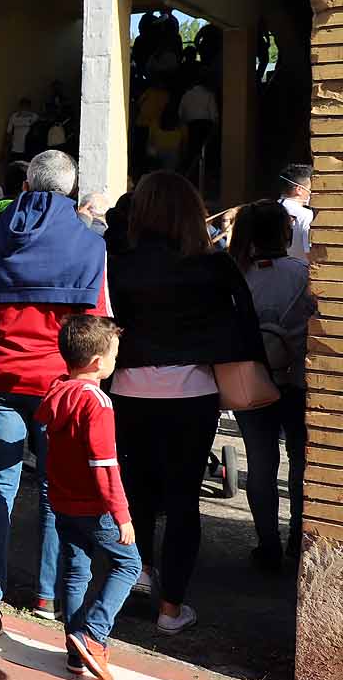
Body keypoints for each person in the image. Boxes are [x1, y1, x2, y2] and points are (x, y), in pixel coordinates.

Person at [108, 171, 265, 635]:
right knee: (182, 500)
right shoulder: (213, 265)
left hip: (128, 388)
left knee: (135, 489)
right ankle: (171, 610)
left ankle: (136, 573)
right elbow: (244, 324)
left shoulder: (119, 262)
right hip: (192, 391)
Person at [0, 149, 109, 634]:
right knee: (56, 490)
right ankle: (48, 595)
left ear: (27, 183)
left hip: (0, 376)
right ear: (69, 189)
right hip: (59, 385)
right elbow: (96, 322)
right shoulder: (89, 245)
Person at [37, 315, 139, 680]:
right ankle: (93, 635)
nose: (116, 361)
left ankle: (74, 652)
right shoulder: (97, 402)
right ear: (98, 362)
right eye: (114, 354)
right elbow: (104, 465)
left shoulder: (57, 391)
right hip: (95, 506)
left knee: (76, 570)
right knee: (129, 565)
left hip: (62, 501)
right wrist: (122, 515)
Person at [228, 200, 314, 570]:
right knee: (302, 465)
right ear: (284, 231)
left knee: (260, 465)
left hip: (251, 381)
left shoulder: (235, 275)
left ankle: (268, 546)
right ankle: (299, 537)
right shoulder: (304, 273)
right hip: (300, 379)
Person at [280, 164, 313, 262]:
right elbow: (310, 253)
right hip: (297, 272)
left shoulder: (267, 209)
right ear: (299, 189)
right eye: (311, 188)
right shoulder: (306, 215)